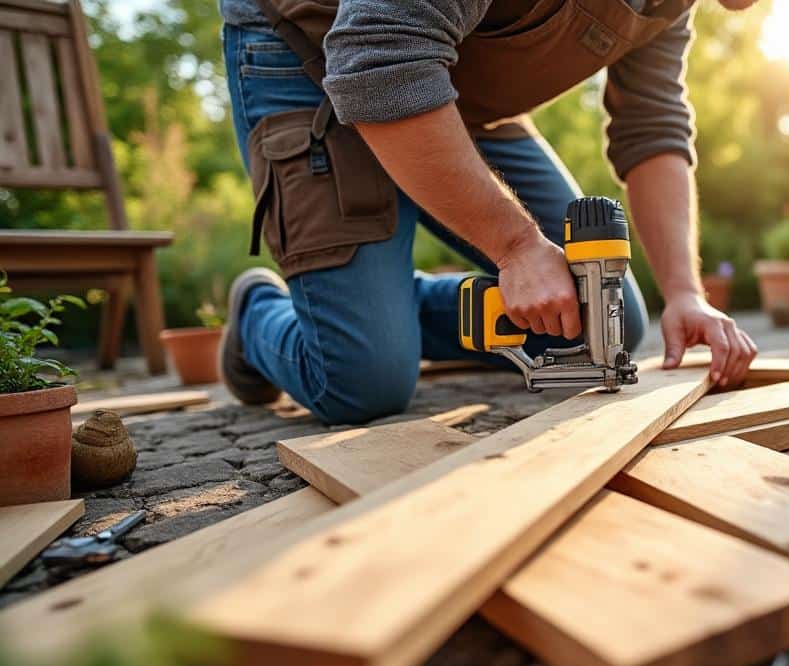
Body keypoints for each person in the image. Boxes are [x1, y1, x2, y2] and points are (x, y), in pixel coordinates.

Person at [217, 0, 759, 424]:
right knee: (362, 382)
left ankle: (376, 310)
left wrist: (685, 291)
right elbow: (379, 59)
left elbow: (652, 124)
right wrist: (517, 246)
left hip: (446, 79)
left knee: (602, 325)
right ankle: (257, 313)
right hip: (307, 57)